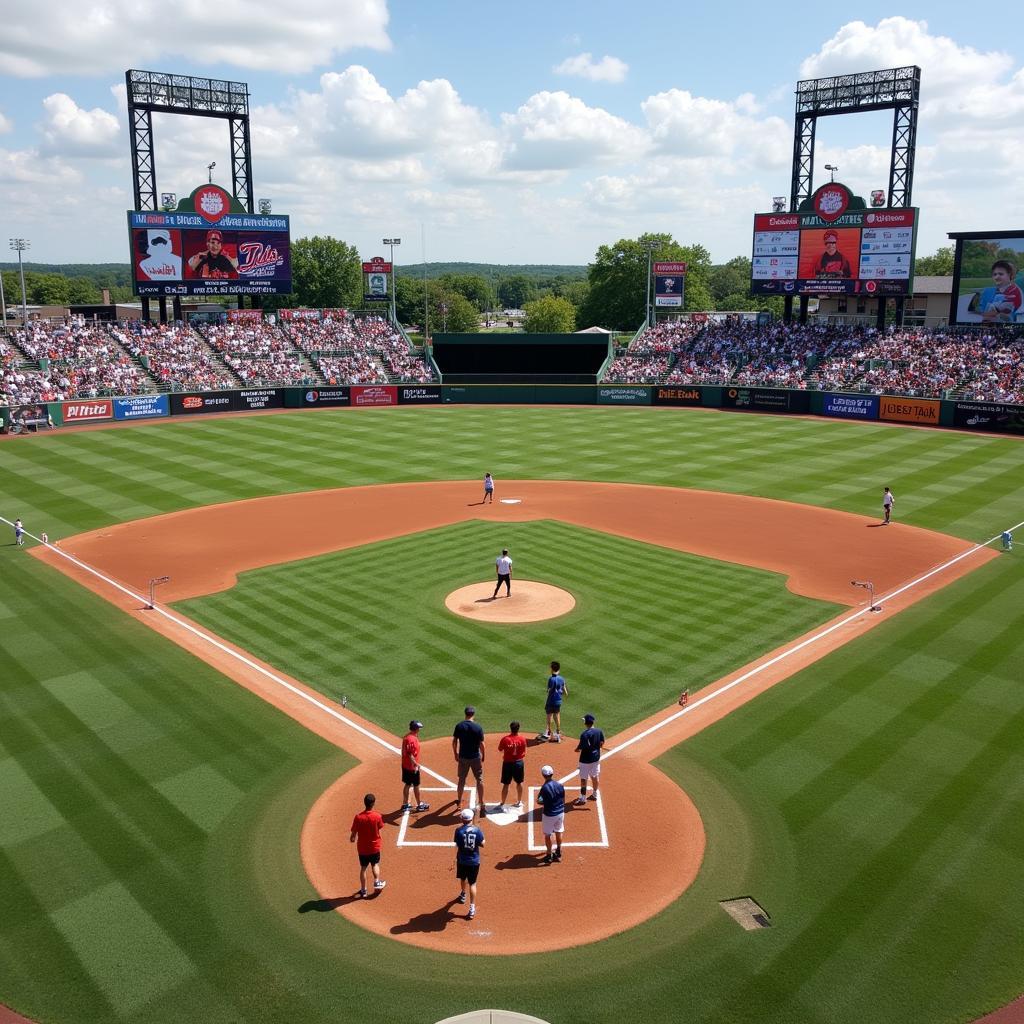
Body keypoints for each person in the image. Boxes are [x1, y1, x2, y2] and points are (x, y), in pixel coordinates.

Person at [349, 792, 386, 897]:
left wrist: (352, 838)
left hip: (362, 848)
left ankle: (363, 890)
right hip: (374, 847)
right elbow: (379, 829)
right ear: (373, 803)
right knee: (375, 864)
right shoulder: (377, 816)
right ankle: (377, 882)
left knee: (363, 868)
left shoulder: (358, 817)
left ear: (364, 803)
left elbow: (353, 835)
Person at [452, 706, 486, 816]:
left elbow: (454, 741)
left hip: (463, 757)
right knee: (479, 780)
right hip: (475, 757)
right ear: (473, 714)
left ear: (465, 713)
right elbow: (482, 744)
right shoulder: (478, 727)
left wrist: (455, 753)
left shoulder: (459, 726)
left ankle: (459, 801)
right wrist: (483, 755)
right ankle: (481, 803)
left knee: (461, 779)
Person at [453, 806, 485, 920]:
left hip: (462, 860)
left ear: (462, 819)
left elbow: (457, 843)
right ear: (471, 818)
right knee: (473, 883)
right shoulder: (477, 830)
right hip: (474, 861)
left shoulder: (458, 831)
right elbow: (483, 843)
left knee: (462, 878)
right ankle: (472, 907)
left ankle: (463, 894)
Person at [574, 713, 606, 805]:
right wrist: (596, 749)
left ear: (586, 723)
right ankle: (595, 794)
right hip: (596, 759)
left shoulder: (584, 734)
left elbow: (580, 747)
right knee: (594, 776)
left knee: (583, 779)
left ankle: (583, 798)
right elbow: (602, 742)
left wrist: (576, 749)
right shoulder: (599, 731)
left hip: (585, 760)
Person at [537, 764, 565, 864]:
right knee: (559, 831)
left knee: (548, 835)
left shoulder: (544, 788)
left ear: (543, 775)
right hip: (560, 812)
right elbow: (562, 798)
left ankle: (549, 855)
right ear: (552, 774)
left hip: (549, 814)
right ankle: (558, 851)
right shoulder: (560, 785)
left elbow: (539, 801)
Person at [497, 720, 527, 812]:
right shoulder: (522, 739)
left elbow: (500, 749)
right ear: (518, 729)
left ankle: (502, 803)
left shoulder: (505, 739)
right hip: (518, 763)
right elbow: (524, 750)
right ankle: (519, 801)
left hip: (507, 763)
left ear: (511, 728)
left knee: (506, 784)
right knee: (519, 782)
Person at [400, 720, 430, 813]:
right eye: (418, 728)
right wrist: (416, 764)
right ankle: (419, 804)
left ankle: (405, 804)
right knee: (416, 785)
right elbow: (410, 754)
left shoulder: (408, 737)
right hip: (411, 767)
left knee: (408, 784)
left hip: (406, 765)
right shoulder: (411, 739)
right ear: (416, 729)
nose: (419, 730)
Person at [540, 661, 568, 742]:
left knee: (549, 715)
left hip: (551, 700)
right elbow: (565, 690)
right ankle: (558, 732)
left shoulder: (551, 679)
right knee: (557, 715)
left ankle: (548, 732)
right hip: (558, 700)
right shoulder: (561, 678)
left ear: (552, 669)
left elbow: (548, 690)